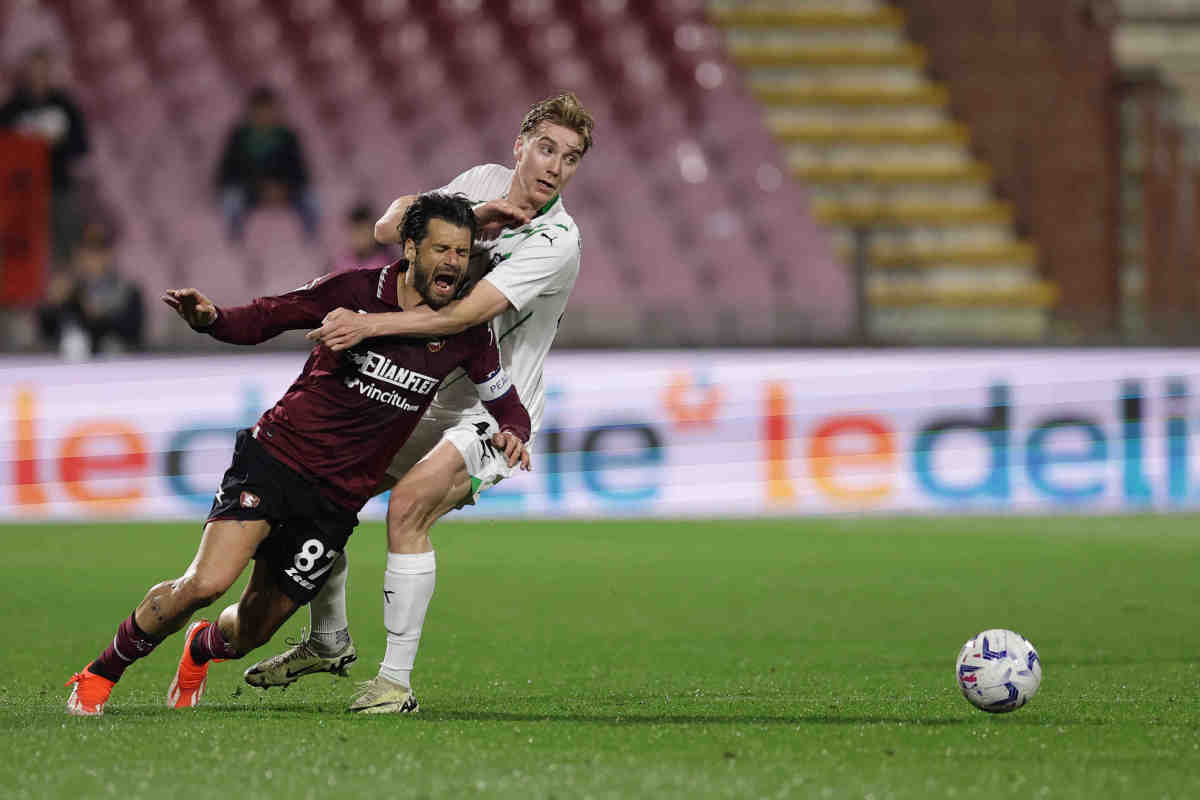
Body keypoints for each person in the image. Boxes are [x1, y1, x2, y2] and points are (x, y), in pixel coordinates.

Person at [64, 194, 532, 716]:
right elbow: (268, 316)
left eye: (462, 253)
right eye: (441, 248)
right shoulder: (354, 290)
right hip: (277, 460)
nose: (452, 262)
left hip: (334, 503)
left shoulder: (465, 331)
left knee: (252, 632)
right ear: (409, 249)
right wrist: (212, 318)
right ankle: (100, 672)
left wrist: (514, 429)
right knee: (207, 583)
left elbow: (506, 401)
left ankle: (201, 647)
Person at [243, 92, 594, 714]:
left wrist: (367, 325)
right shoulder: (483, 183)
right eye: (545, 148)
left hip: (493, 409)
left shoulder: (558, 239)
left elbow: (464, 316)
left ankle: (395, 683)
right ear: (520, 145)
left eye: (569, 159)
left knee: (406, 510)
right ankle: (328, 642)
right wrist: (475, 210)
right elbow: (388, 229)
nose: (553, 167)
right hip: (427, 395)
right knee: (326, 489)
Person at [0, 46, 89, 265]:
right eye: (32, 71)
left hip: (58, 188)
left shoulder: (64, 105)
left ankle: (64, 293)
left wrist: (57, 142)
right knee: (23, 249)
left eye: (42, 71)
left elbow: (82, 146)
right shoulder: (12, 109)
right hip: (22, 193)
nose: (37, 77)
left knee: (66, 246)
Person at [215, 86, 318, 241]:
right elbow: (226, 173)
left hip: (285, 190)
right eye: (260, 111)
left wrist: (283, 187)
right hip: (249, 190)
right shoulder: (238, 138)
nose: (264, 116)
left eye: (269, 110)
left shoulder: (288, 137)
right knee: (231, 200)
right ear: (251, 112)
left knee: (311, 201)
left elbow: (300, 172)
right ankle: (234, 241)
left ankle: (311, 240)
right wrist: (258, 187)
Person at [37, 220, 144, 357]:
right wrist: (53, 303)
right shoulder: (68, 289)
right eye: (89, 248)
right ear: (79, 253)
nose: (94, 257)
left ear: (110, 254)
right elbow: (46, 330)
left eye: (100, 249)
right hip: (67, 366)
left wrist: (102, 316)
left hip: (112, 364)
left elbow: (135, 333)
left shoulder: (127, 291)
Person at [331, 203, 393, 273]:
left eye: (364, 233)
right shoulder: (340, 264)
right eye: (355, 233)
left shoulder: (386, 263)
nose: (359, 239)